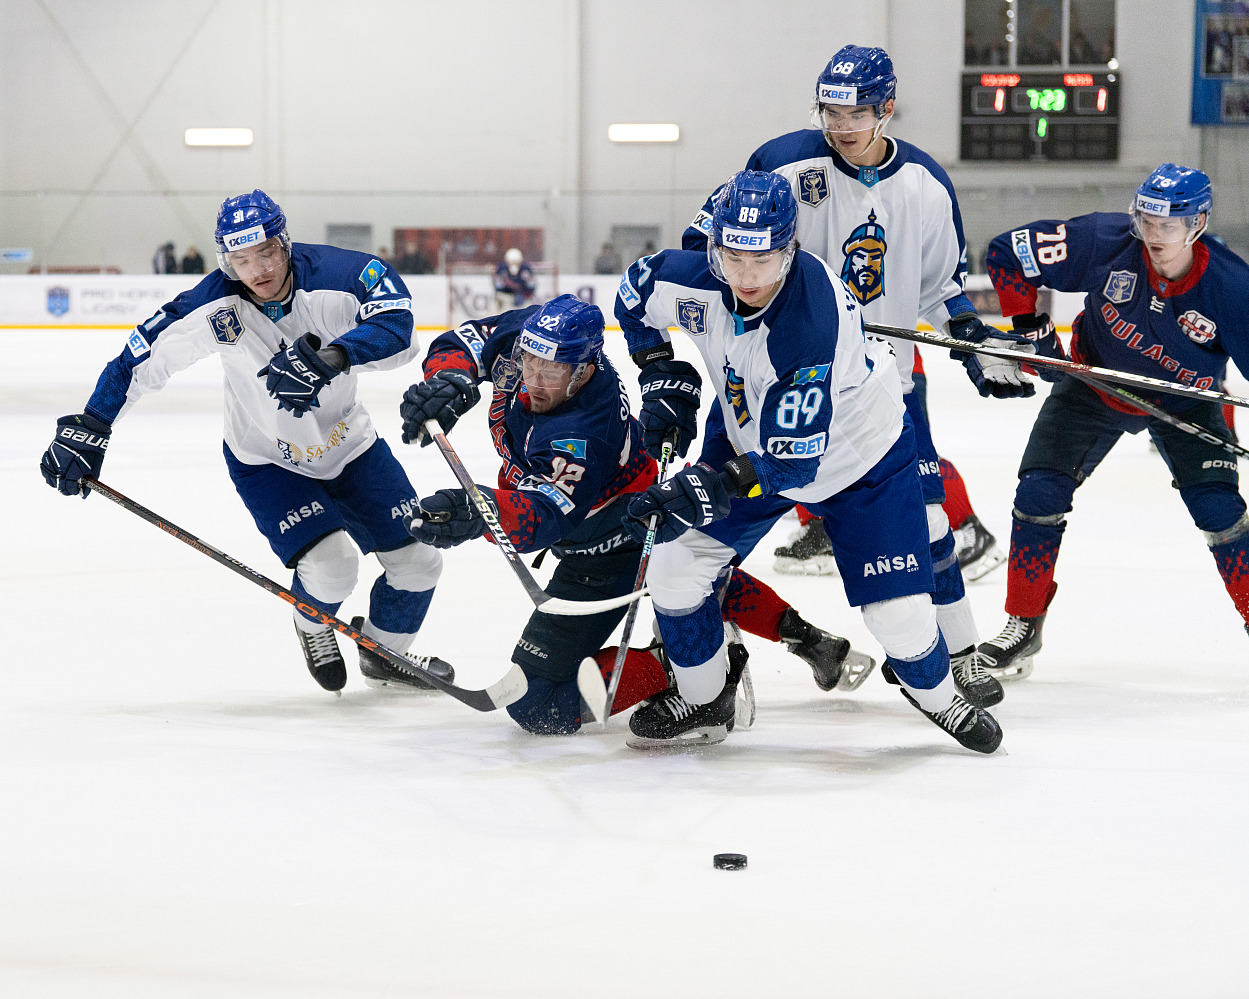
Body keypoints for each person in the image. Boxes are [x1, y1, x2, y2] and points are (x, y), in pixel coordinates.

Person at [616, 169, 1003, 752]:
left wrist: (702, 489)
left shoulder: (807, 326)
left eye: (764, 261)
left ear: (790, 249)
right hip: (749, 432)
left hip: (859, 461)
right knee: (674, 567)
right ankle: (703, 699)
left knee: (897, 617)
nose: (747, 277)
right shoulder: (689, 276)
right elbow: (632, 296)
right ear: (715, 245)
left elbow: (792, 468)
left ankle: (939, 694)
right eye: (734, 258)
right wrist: (660, 371)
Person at [681, 45, 1023, 678]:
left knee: (926, 516)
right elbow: (706, 246)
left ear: (887, 108)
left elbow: (941, 288)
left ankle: (963, 652)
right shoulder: (782, 163)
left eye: (854, 111)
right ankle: (709, 665)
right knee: (705, 525)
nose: (838, 125)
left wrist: (974, 343)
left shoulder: (924, 184)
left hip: (883, 383)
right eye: (829, 110)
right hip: (770, 376)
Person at [396, 294, 875, 737]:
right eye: (529, 363)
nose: (534, 381)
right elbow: (462, 342)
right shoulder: (538, 337)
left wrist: (477, 512)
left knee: (542, 704)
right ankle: (807, 638)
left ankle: (678, 664)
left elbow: (544, 517)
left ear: (583, 371)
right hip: (596, 528)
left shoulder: (584, 432)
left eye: (552, 372)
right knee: (693, 580)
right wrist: (449, 378)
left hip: (616, 536)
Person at [40, 189, 453, 694]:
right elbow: (140, 358)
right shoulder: (214, 303)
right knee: (332, 569)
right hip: (267, 459)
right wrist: (92, 424)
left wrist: (333, 358)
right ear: (225, 259)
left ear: (285, 243)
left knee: (419, 562)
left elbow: (399, 330)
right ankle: (312, 623)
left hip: (352, 448)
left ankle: (384, 653)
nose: (256, 269)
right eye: (240, 258)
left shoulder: (342, 277)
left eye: (265, 253)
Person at [975, 164, 1249, 680]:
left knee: (1220, 511)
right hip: (1094, 382)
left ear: (1199, 223)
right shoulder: (1104, 240)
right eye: (1146, 219)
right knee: (1037, 493)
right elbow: (1008, 252)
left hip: (1184, 401)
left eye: (1167, 225)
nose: (1153, 235)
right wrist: (1032, 329)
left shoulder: (1232, 288)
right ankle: (1023, 622)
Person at [493, 248, 536, 313]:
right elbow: (498, 287)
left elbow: (531, 286)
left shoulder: (525, 269)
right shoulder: (501, 269)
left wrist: (523, 291)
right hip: (506, 296)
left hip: (522, 296)